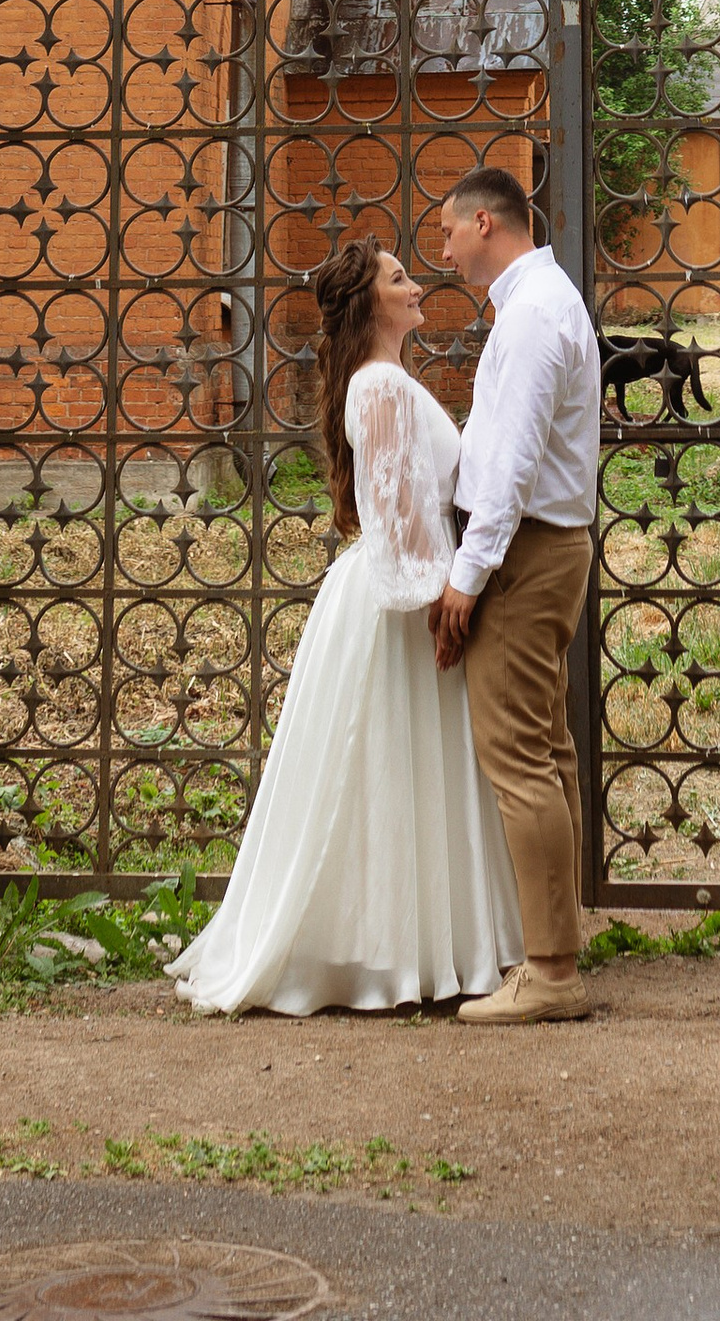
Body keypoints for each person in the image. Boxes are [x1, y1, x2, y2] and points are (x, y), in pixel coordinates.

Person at [166, 234, 520, 1015]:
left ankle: (408, 946)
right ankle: (392, 953)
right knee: (388, 765)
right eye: (400, 279)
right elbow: (396, 511)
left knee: (396, 769)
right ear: (371, 303)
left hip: (396, 589)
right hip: (400, 601)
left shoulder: (383, 380)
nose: (416, 285)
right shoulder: (381, 387)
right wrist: (440, 597)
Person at [431, 165, 604, 1026]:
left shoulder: (533, 312)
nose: (445, 246)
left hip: (526, 554)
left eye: (451, 229)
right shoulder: (538, 301)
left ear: (488, 222)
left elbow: (512, 459)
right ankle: (559, 933)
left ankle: (551, 972)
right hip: (540, 547)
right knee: (546, 747)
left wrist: (470, 573)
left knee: (517, 756)